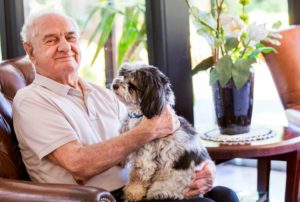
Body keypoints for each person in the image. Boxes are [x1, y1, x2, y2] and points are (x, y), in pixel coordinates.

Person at [13, 10, 239, 202]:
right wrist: (148, 130)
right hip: (97, 197)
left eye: (70, 37)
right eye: (51, 40)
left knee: (225, 195)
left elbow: (162, 139)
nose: (65, 46)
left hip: (139, 187)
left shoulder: (102, 93)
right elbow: (78, 165)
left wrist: (203, 166)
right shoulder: (31, 100)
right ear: (30, 50)